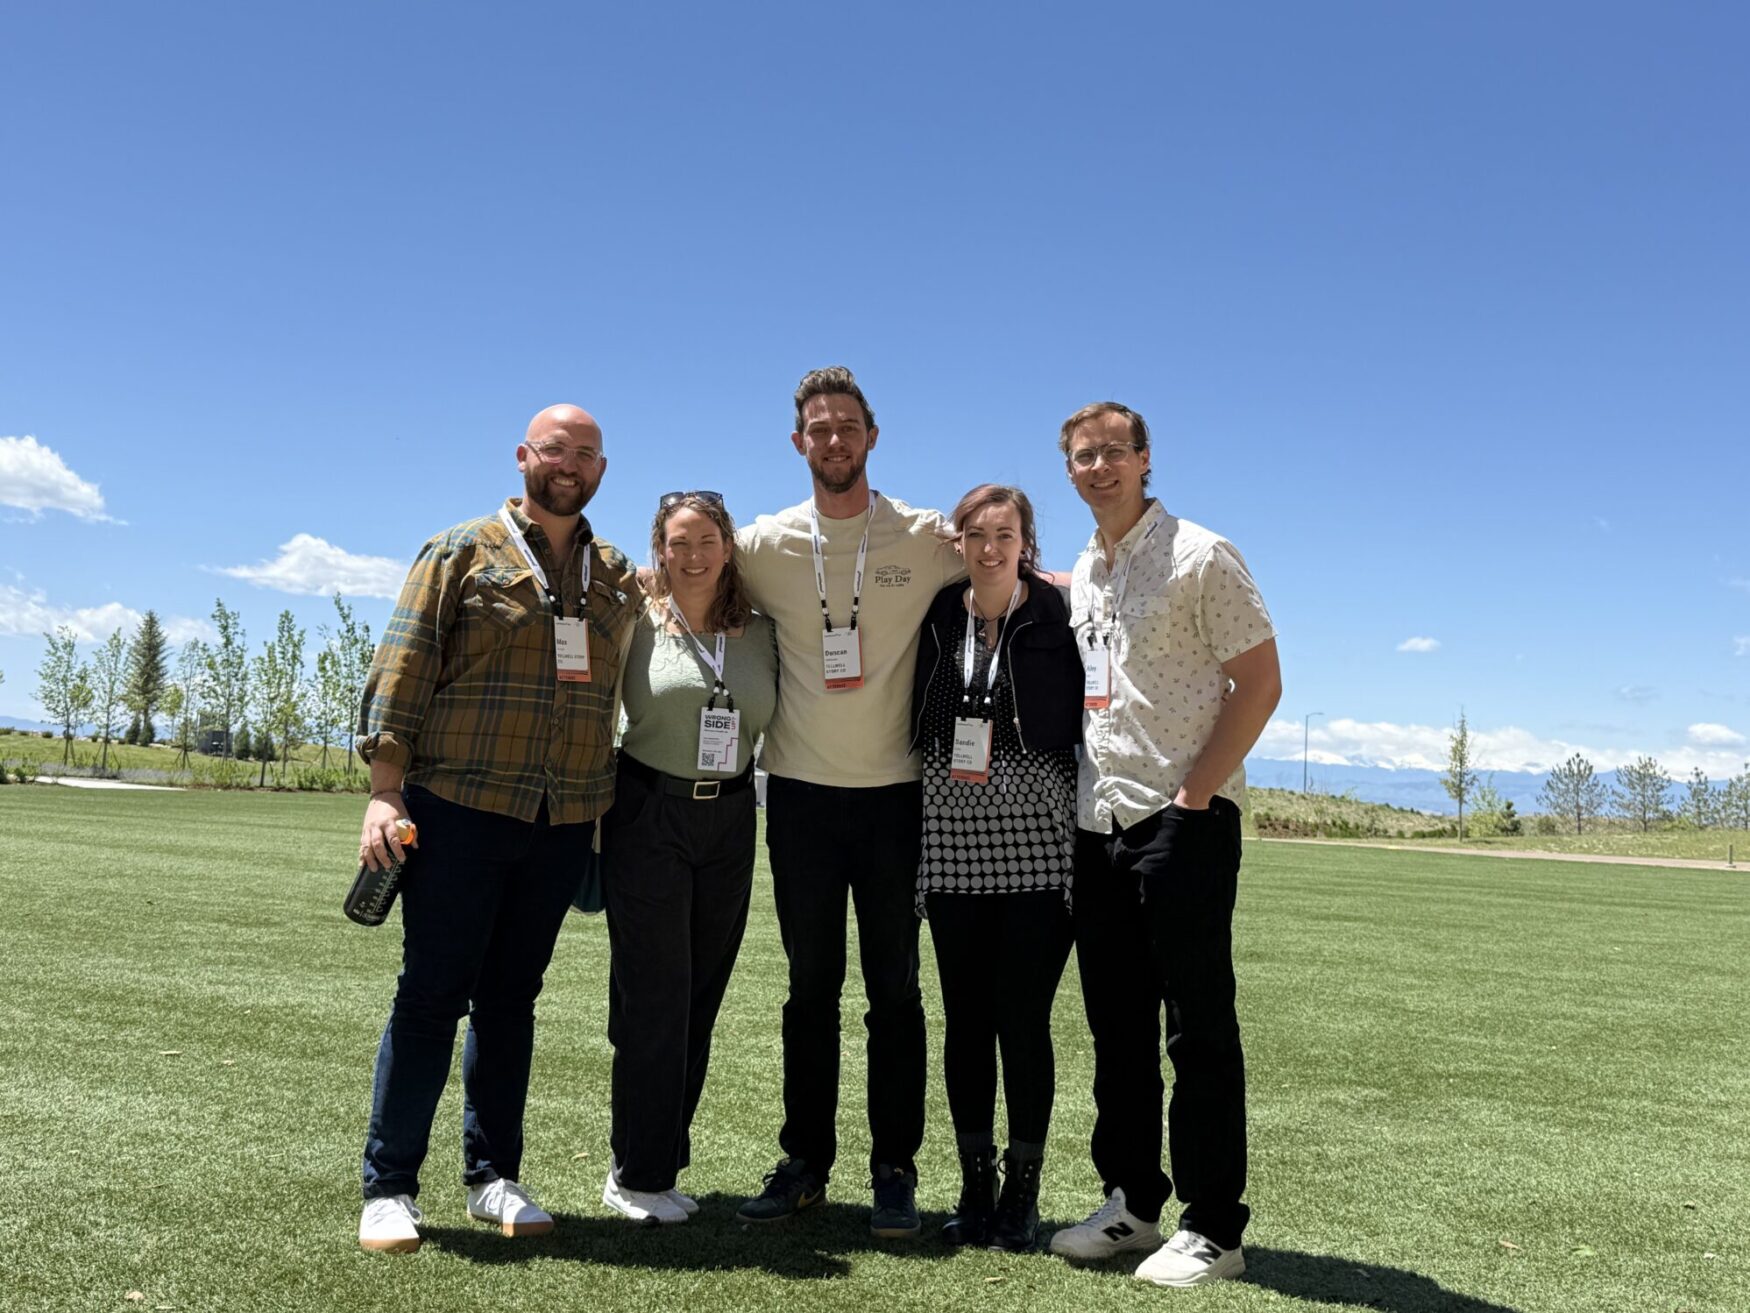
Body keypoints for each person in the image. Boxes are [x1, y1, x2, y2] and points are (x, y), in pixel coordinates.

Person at [353, 404, 640, 1254]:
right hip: (459, 807)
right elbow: (402, 663)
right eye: (557, 449)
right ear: (524, 456)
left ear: (600, 469)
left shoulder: (616, 573)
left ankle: (492, 1176)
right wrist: (383, 790)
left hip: (561, 817)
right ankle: (389, 1185)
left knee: (512, 999)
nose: (571, 464)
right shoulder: (461, 551)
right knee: (431, 994)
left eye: (587, 453)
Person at [1044, 402, 1281, 1287]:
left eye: (1113, 452)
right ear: (1067, 470)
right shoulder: (1091, 572)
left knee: (1198, 1032)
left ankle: (1215, 1226)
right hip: (1097, 826)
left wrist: (1195, 794)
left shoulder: (1200, 555)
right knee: (1117, 1031)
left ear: (1145, 459)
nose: (1098, 466)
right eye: (1082, 456)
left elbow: (1260, 681)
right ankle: (1134, 1203)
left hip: (1180, 822)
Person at [731, 366, 965, 1238]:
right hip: (797, 798)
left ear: (872, 436)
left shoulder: (920, 534)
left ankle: (895, 1167)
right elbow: (689, 571)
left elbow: (1001, 556)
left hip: (897, 800)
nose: (833, 441)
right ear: (798, 444)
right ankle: (805, 1161)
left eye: (847, 428)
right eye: (817, 430)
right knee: (808, 990)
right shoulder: (763, 543)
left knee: (896, 993)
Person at [909, 484, 1083, 1252]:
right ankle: (973, 1185)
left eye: (1004, 533)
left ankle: (1023, 1190)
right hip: (950, 837)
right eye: (975, 533)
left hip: (1038, 844)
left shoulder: (1056, 613)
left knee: (1023, 1020)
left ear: (1026, 540)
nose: (989, 547)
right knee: (966, 1022)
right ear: (959, 541)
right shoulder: (941, 612)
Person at [599, 492, 779, 1225]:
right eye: (679, 541)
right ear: (660, 549)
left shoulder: (761, 630)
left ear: (728, 545)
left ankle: (661, 1160)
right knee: (653, 996)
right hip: (648, 811)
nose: (695, 553)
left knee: (700, 996)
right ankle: (632, 1173)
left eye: (707, 538)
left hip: (733, 815)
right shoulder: (634, 619)